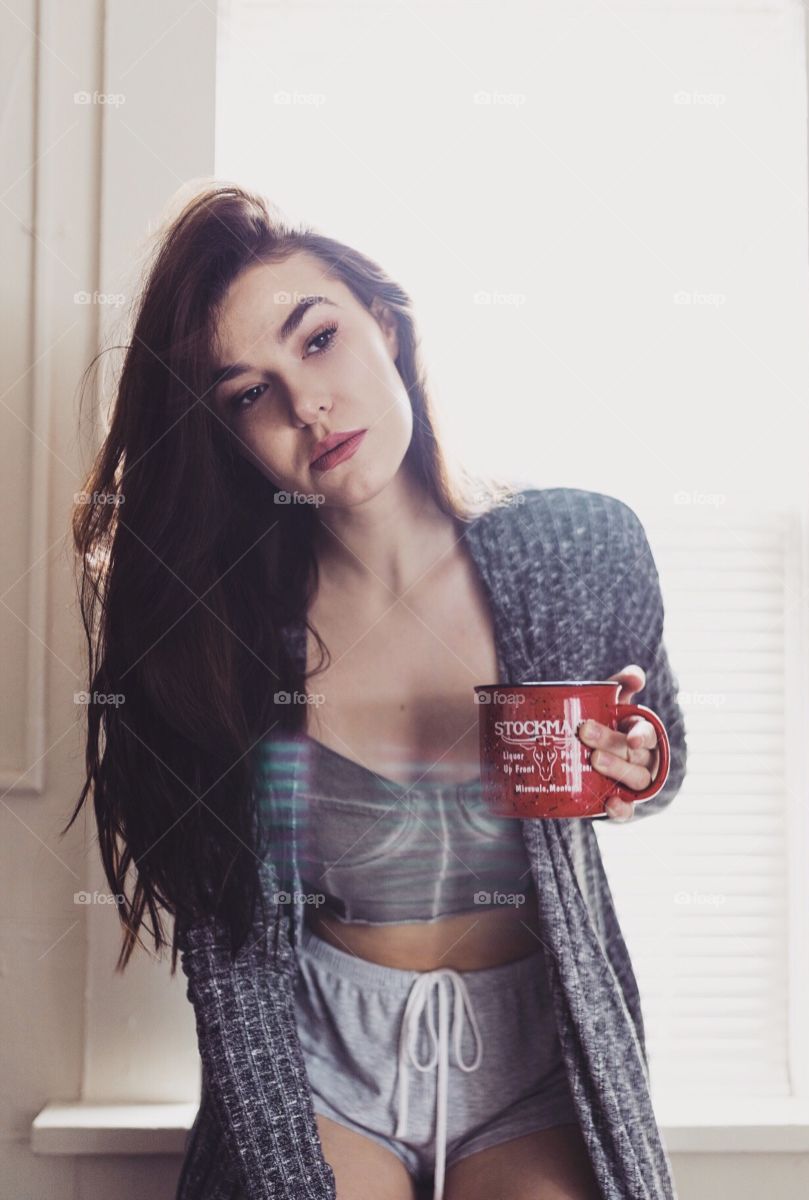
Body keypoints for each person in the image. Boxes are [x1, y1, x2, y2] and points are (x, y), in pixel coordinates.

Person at [67, 182, 688, 1200]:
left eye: (317, 342)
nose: (307, 404)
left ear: (386, 329)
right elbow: (232, 949)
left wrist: (639, 767)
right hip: (324, 1056)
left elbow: (656, 767)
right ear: (230, 436)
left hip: (531, 1048)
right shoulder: (222, 641)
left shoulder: (580, 548)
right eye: (249, 394)